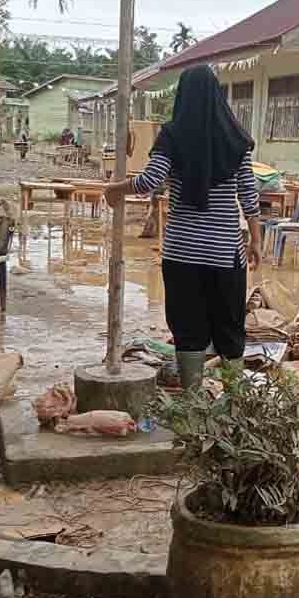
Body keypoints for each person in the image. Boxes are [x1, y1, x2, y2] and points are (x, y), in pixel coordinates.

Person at [105, 65, 261, 390]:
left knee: (188, 325)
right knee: (229, 325)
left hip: (182, 253)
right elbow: (248, 194)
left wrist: (115, 189)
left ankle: (192, 400)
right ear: (217, 94)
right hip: (224, 253)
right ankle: (234, 400)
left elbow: (150, 180)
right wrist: (256, 239)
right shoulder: (236, 139)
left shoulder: (173, 135)